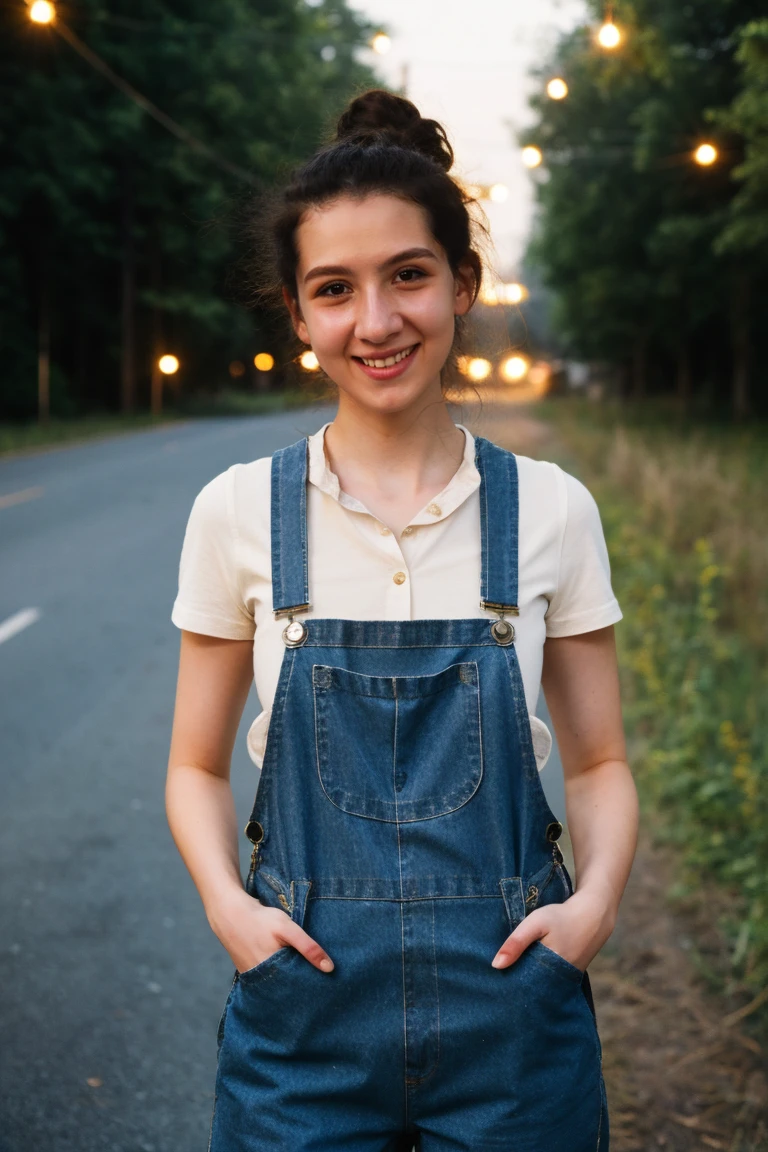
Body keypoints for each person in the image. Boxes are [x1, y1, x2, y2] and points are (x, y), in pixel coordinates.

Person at [166, 88, 638, 1152]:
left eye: (408, 276)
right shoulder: (238, 511)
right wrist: (232, 918)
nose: (375, 322)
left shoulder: (552, 509)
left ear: (463, 285)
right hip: (303, 1028)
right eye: (335, 289)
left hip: (515, 1022)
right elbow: (194, 767)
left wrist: (595, 907)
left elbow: (601, 760)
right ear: (298, 314)